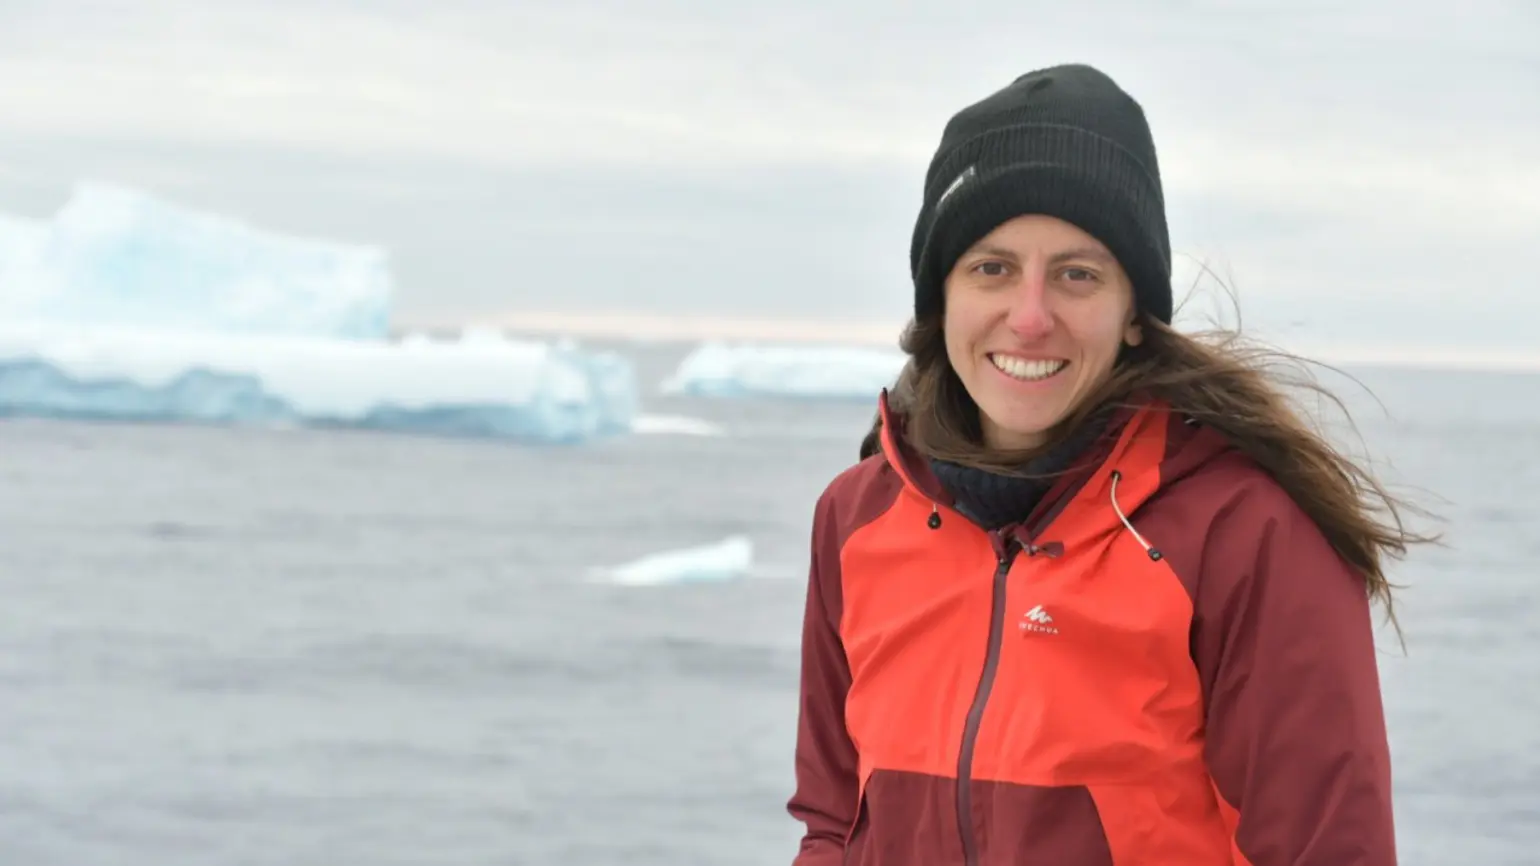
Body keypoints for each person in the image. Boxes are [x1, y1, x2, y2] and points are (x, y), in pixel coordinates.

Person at [786, 63, 1430, 865]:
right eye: (991, 268)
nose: (1029, 317)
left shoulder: (1242, 533)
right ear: (940, 298)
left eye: (1077, 275)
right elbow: (833, 820)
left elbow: (1329, 850)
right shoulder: (857, 518)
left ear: (1134, 315)